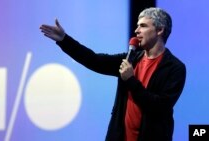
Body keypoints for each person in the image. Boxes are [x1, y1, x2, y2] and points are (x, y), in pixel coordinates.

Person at [40, 7, 186, 141]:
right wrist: (64, 40)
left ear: (160, 30)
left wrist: (131, 80)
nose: (136, 31)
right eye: (137, 25)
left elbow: (159, 107)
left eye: (143, 26)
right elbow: (94, 60)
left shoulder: (175, 68)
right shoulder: (131, 59)